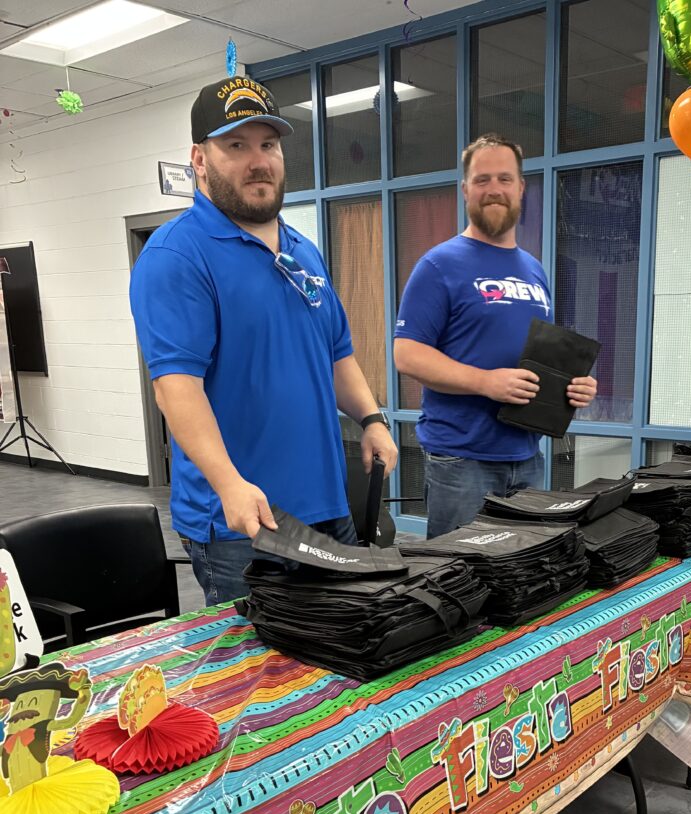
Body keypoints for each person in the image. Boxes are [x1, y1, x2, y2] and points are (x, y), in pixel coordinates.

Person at [130, 76, 396, 604]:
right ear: (198, 159)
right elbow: (175, 388)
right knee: (256, 681)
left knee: (346, 657)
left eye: (268, 145)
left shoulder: (304, 251)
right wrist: (229, 483)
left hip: (327, 506)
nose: (259, 161)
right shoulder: (177, 256)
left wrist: (371, 420)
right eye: (236, 145)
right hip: (243, 524)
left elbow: (337, 351)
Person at [394, 133, 597, 538]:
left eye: (505, 179)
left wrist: (573, 388)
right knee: (459, 580)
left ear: (521, 188)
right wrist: (486, 382)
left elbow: (540, 360)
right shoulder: (438, 265)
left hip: (527, 458)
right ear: (465, 188)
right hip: (462, 462)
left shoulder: (534, 270)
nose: (494, 190)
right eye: (482, 180)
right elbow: (408, 354)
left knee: (523, 574)